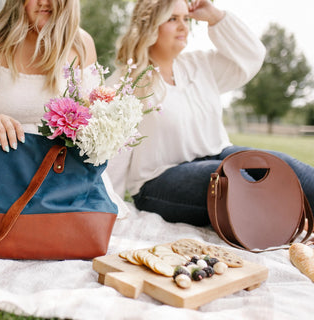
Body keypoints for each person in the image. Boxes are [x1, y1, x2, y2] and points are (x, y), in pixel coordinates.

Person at [106, 0, 314, 226]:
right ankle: (282, 224)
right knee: (233, 181)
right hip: (158, 180)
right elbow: (112, 156)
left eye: (185, 19)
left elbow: (253, 55)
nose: (183, 27)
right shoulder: (125, 83)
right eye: (173, 19)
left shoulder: (200, 65)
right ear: (149, 25)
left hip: (218, 154)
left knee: (280, 166)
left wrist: (216, 17)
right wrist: (108, 210)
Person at [0, 0, 98, 153]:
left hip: (66, 165)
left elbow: (93, 112)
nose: (43, 2)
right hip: (4, 161)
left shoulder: (81, 44)